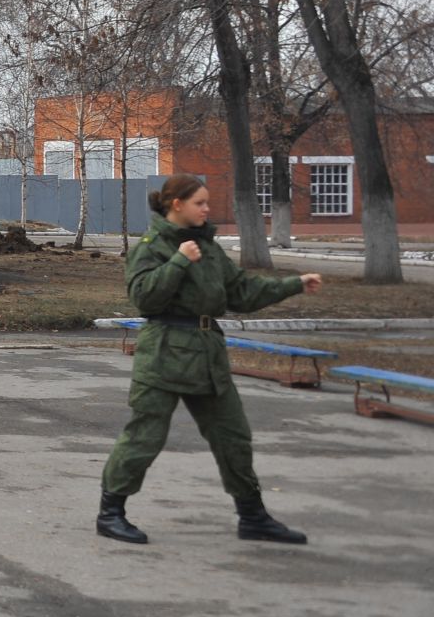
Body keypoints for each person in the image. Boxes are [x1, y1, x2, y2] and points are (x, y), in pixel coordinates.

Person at [97, 174, 323, 546]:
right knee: (145, 436)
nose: (207, 208)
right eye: (200, 202)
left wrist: (294, 284)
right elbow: (145, 299)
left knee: (233, 436)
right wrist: (179, 262)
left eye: (206, 202)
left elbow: (241, 292)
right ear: (177, 204)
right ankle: (111, 513)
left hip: (206, 353)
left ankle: (252, 516)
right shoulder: (152, 246)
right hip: (165, 351)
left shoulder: (207, 245)